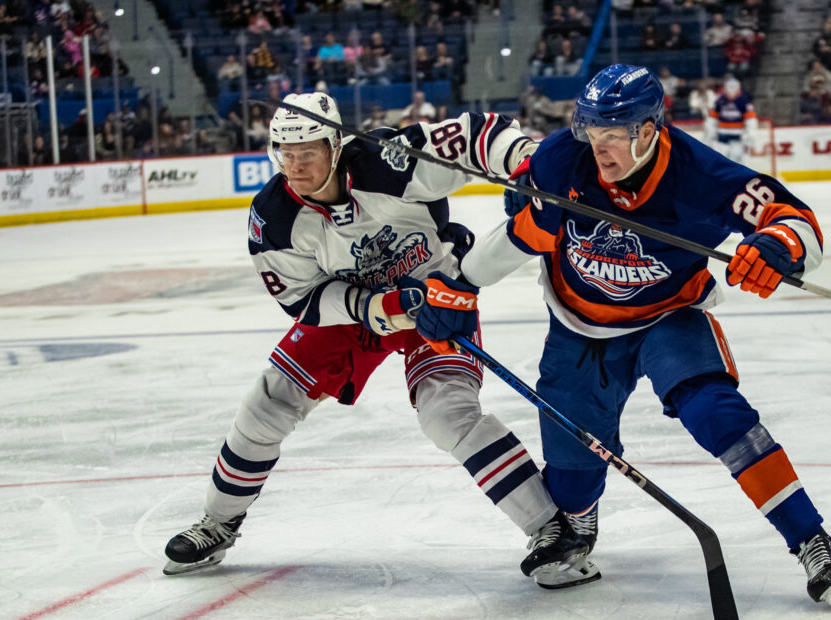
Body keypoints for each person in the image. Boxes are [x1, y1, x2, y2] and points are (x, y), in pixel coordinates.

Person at [412, 64, 831, 608]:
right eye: (591, 131)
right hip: (576, 325)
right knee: (572, 472)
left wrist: (776, 246)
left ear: (650, 130)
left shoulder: (699, 175)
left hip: (669, 316)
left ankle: (813, 543)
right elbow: (524, 232)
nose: (598, 148)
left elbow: (795, 219)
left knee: (718, 414)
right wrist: (459, 282)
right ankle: (578, 529)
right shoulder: (563, 159)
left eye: (612, 135)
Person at [161, 92, 590, 584]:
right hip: (355, 315)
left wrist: (527, 164)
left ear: (336, 145)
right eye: (286, 152)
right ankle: (218, 523)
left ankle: (552, 531)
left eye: (308, 151)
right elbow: (302, 299)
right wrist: (378, 307)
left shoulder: (390, 161)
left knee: (448, 415)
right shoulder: (274, 217)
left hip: (435, 298)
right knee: (265, 405)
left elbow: (476, 135)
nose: (295, 165)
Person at [704, 77, 757, 163]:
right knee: (721, 161)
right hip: (722, 137)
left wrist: (750, 137)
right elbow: (712, 120)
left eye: (734, 87)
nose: (731, 90)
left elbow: (751, 121)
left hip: (737, 137)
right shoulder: (720, 100)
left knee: (736, 161)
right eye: (729, 87)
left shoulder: (744, 101)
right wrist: (710, 135)